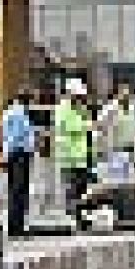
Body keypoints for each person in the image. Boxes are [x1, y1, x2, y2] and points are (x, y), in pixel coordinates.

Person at [1, 90, 37, 237]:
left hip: (14, 155)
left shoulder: (11, 112)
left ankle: (16, 225)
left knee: (16, 191)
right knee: (19, 191)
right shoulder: (18, 114)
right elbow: (15, 137)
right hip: (19, 155)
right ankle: (17, 227)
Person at [54, 78, 92, 214]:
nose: (80, 98)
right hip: (69, 156)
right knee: (71, 187)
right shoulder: (62, 108)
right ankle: (72, 213)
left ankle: (80, 212)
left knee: (82, 187)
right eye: (77, 96)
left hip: (81, 156)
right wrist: (85, 126)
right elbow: (64, 127)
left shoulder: (80, 108)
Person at [95, 84, 135, 185]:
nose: (126, 97)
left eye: (128, 95)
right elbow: (99, 126)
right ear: (118, 95)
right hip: (112, 151)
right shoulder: (110, 109)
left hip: (127, 151)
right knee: (111, 181)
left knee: (126, 181)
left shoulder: (132, 110)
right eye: (123, 94)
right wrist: (100, 147)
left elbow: (134, 132)